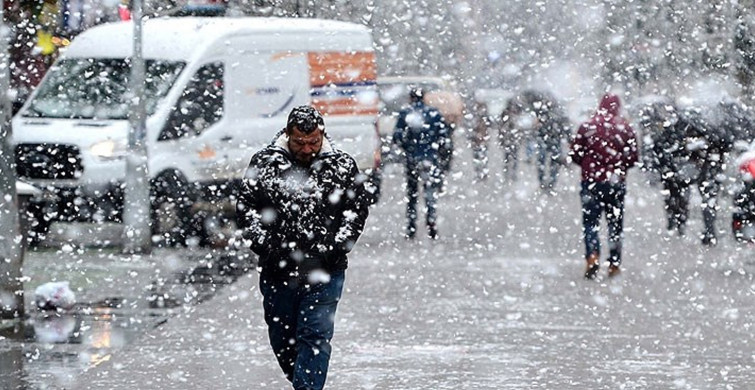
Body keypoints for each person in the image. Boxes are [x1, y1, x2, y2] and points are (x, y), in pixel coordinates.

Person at [236, 105, 370, 390]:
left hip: (325, 271)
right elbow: (246, 208)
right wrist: (266, 246)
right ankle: (303, 381)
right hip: (278, 271)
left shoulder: (342, 165)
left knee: (315, 337)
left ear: (322, 135)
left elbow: (356, 211)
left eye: (313, 142)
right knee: (283, 340)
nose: (307, 149)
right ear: (287, 135)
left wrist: (336, 247)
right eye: (300, 142)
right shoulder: (265, 164)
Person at [569, 93, 638, 279]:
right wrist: (618, 167)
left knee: (591, 223)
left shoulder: (587, 126)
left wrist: (588, 166)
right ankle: (614, 263)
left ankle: (592, 256)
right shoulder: (625, 128)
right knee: (615, 224)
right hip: (615, 183)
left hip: (591, 182)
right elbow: (633, 158)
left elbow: (575, 154)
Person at [393, 88, 449, 239]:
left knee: (412, 194)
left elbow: (397, 136)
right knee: (430, 192)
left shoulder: (406, 114)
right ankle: (431, 223)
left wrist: (407, 147)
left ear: (411, 98)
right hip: (430, 158)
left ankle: (411, 226)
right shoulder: (434, 114)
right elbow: (444, 137)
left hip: (412, 158)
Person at [533, 97, 569, 193]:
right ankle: (550, 183)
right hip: (552, 140)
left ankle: (546, 182)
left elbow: (537, 128)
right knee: (552, 163)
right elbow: (565, 128)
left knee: (545, 162)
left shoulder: (544, 113)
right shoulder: (558, 114)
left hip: (547, 140)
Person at [470, 100, 493, 181]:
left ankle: (482, 173)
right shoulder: (475, 118)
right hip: (478, 141)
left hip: (482, 141)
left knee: (482, 157)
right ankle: (479, 172)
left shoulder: (483, 119)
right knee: (478, 158)